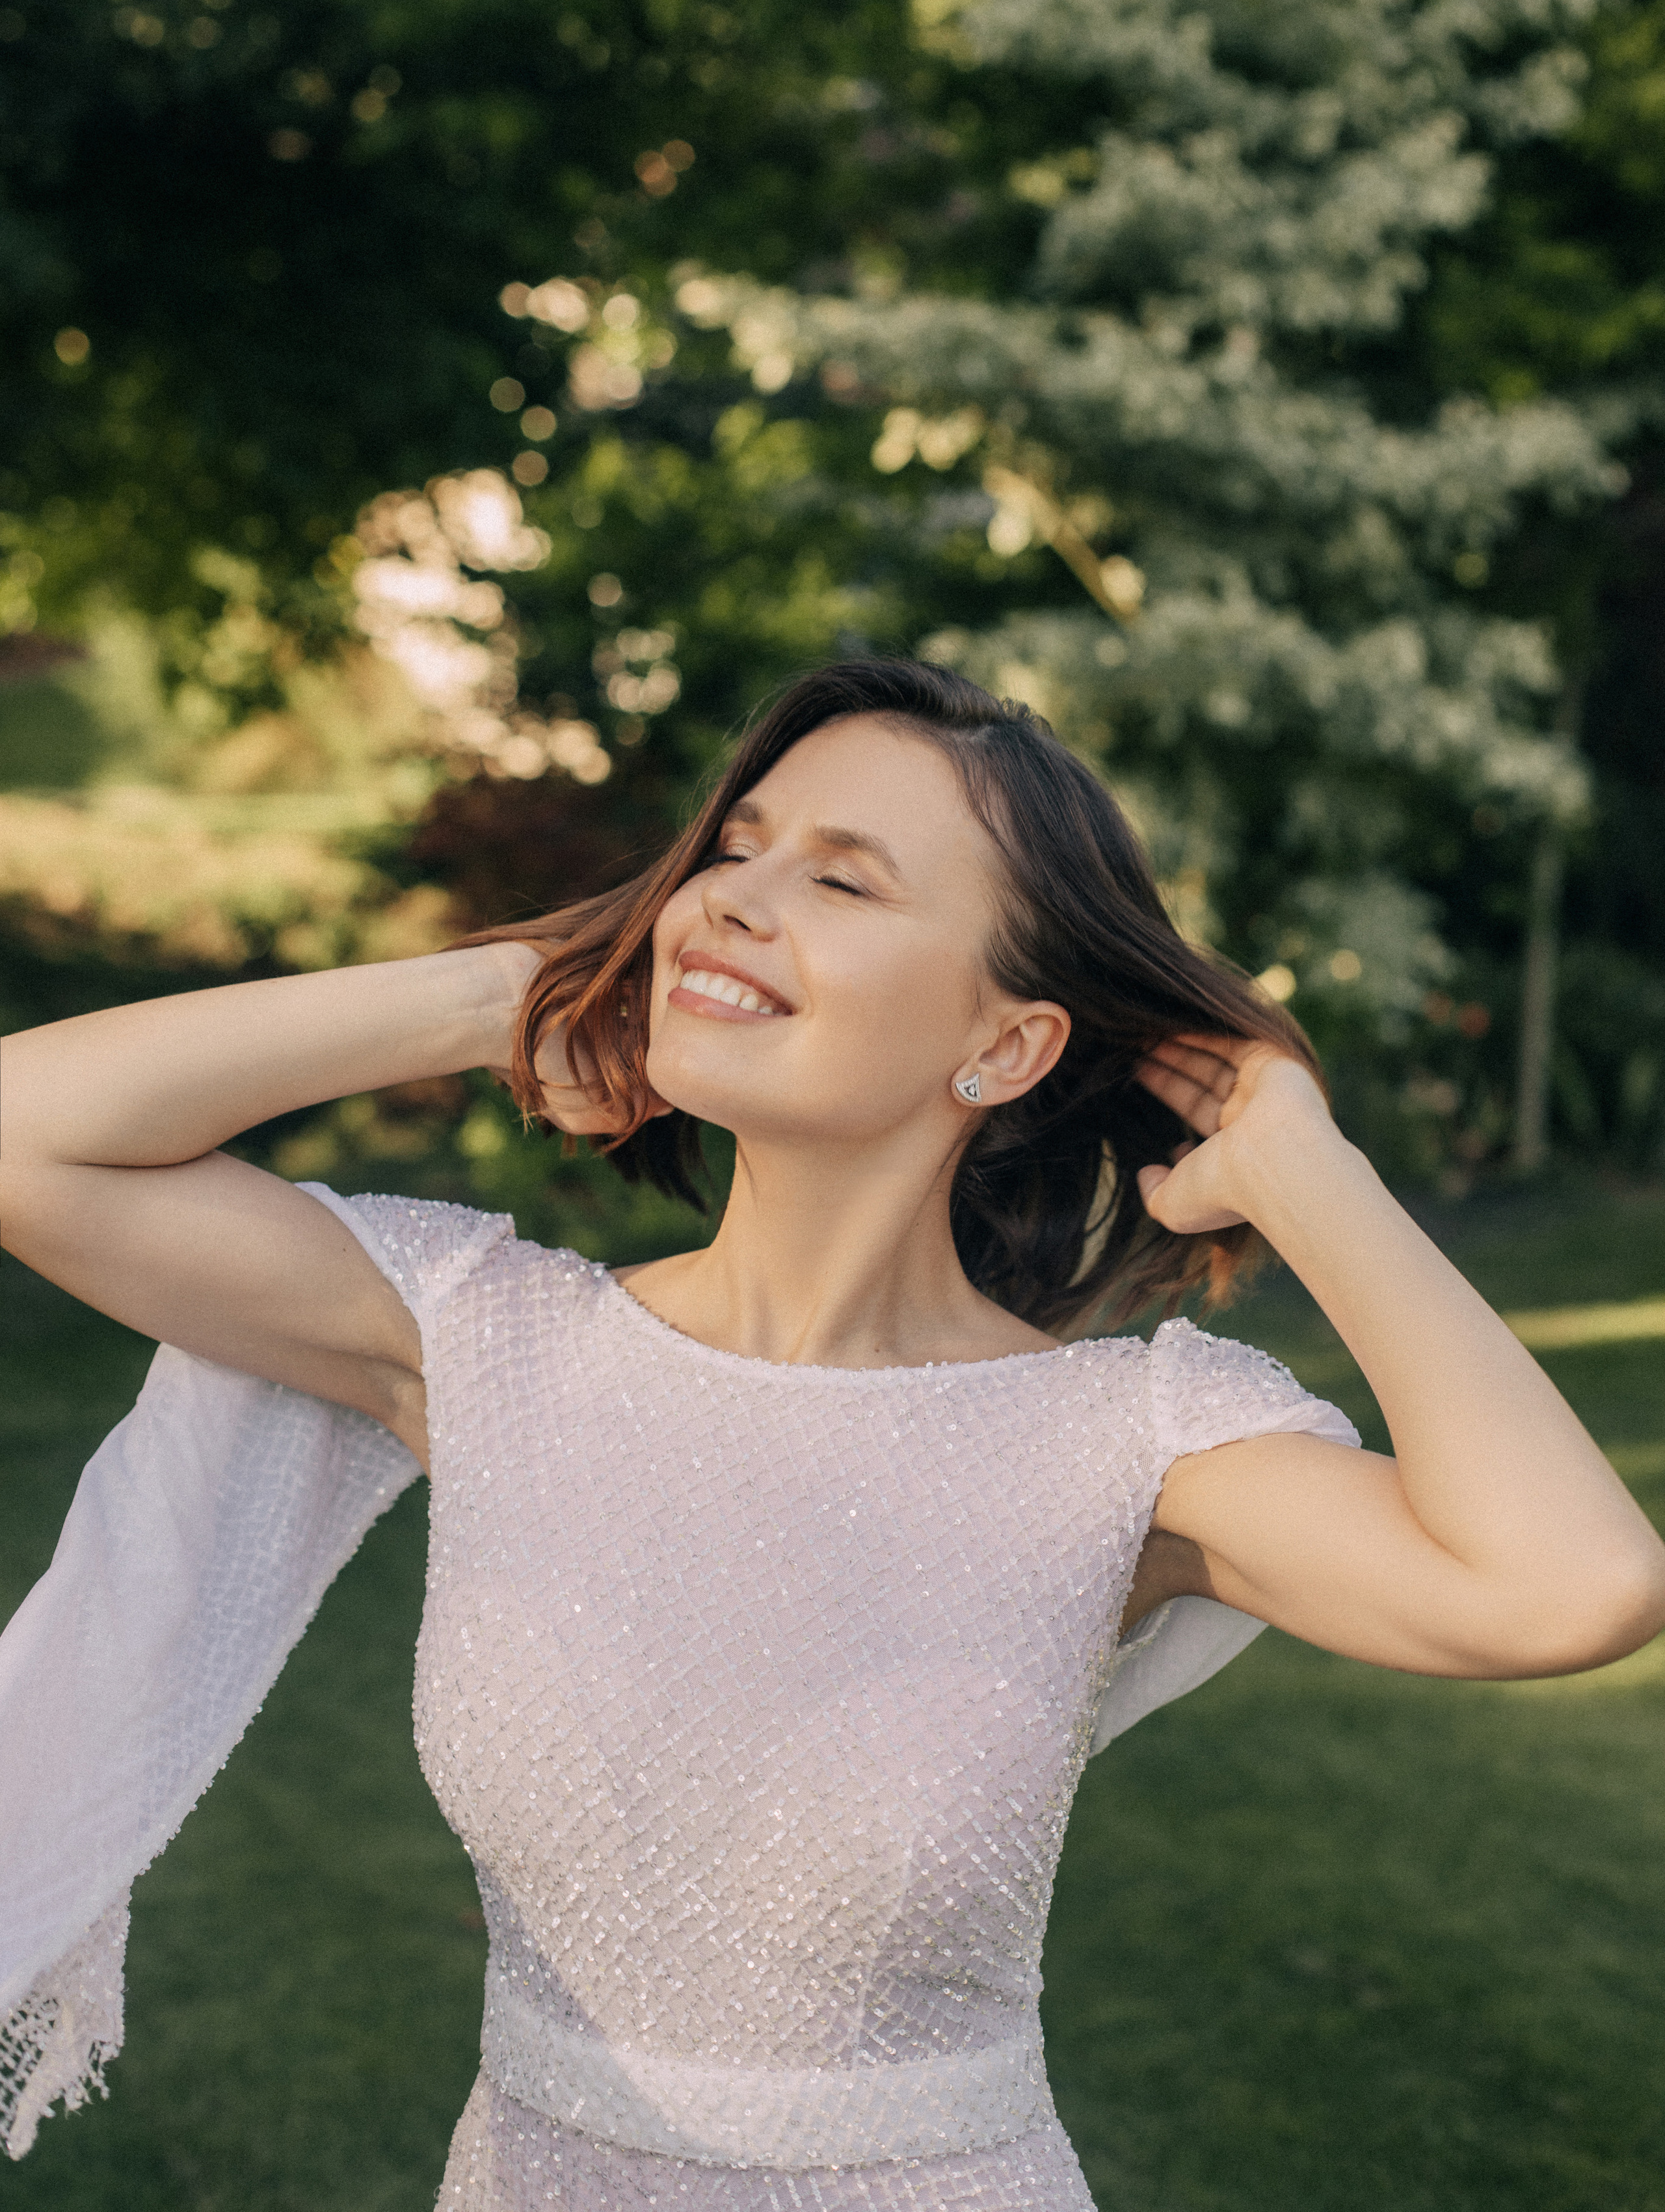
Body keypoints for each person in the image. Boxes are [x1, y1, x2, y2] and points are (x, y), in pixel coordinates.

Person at [1, 657, 1661, 2207]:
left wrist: (1296, 1168)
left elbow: (1565, 1587)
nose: (730, 895)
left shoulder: (1126, 1445)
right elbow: (31, 1140)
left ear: (1003, 1046)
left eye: (842, 879)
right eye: (734, 850)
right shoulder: (487, 1341)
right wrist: (503, 993)